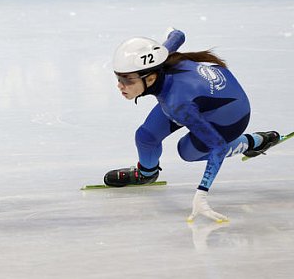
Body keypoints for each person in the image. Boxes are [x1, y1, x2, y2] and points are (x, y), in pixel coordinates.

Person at [105, 29, 284, 222]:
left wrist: (202, 194)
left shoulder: (178, 104)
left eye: (126, 80)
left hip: (230, 116)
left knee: (187, 151)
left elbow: (218, 146)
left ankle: (253, 142)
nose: (120, 86)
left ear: (150, 78)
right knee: (146, 137)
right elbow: (179, 36)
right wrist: (172, 32)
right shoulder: (160, 59)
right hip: (203, 98)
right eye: (118, 78)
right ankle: (146, 174)